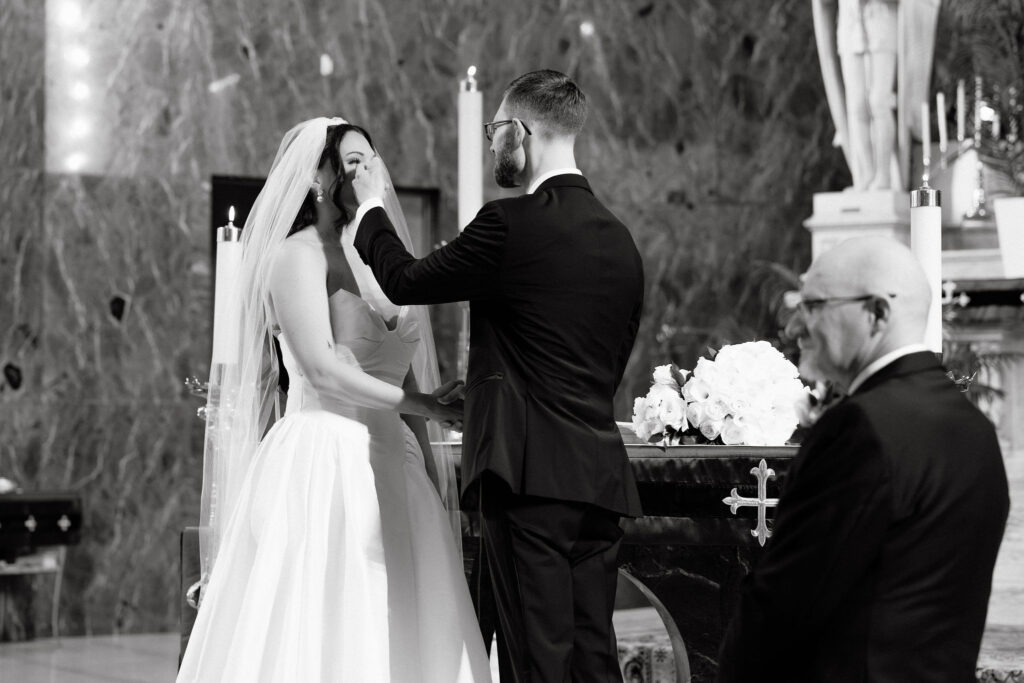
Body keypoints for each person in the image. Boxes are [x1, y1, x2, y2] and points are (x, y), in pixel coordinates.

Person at [351, 70, 644, 682]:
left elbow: (405, 280)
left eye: (495, 131)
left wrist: (373, 206)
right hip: (597, 482)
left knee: (536, 662)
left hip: (528, 478)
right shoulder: (621, 241)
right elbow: (606, 362)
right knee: (594, 661)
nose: (491, 145)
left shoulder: (509, 224)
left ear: (523, 130)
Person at [177, 117, 492, 682]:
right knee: (330, 621)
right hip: (324, 459)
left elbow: (404, 374)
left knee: (412, 623)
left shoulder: (380, 257)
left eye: (371, 158)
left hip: (398, 460)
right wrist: (428, 408)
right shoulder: (296, 256)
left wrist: (432, 449)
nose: (368, 171)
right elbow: (322, 371)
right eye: (352, 162)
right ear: (320, 178)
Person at [717, 236, 1010, 682]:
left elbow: (784, 606)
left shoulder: (860, 428)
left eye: (814, 306)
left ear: (876, 313)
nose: (795, 327)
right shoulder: (976, 429)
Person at [812, 0, 941, 191]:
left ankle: (884, 176)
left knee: (879, 102)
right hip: (850, 26)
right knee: (856, 106)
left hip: (881, 23)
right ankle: (864, 175)